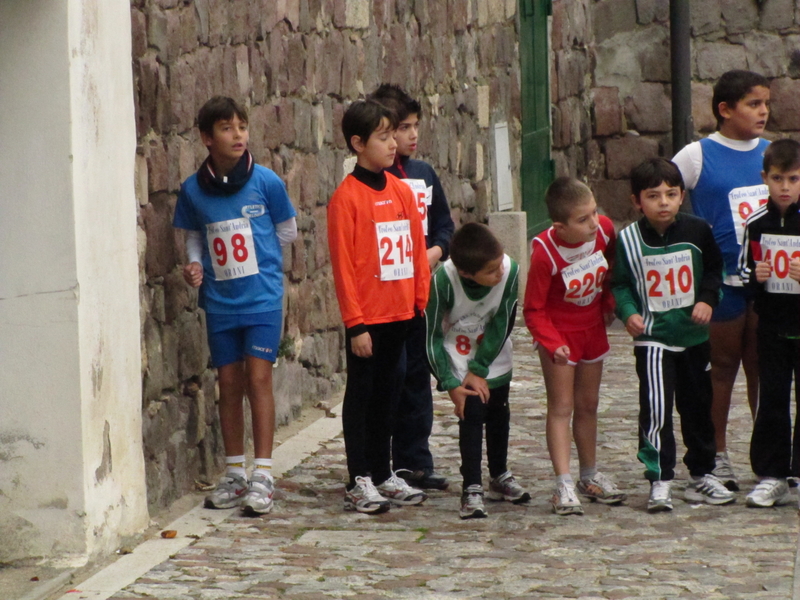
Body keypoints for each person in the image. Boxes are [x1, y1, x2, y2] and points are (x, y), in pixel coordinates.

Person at [173, 96, 298, 516]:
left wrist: (260, 264)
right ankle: (234, 472)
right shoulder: (192, 190)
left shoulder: (266, 182)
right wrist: (195, 263)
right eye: (226, 128)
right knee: (228, 383)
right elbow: (195, 233)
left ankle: (263, 471)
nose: (238, 134)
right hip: (221, 303)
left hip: (262, 299)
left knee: (258, 379)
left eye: (242, 126)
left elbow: (287, 231)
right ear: (208, 138)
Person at [612, 158, 735, 512]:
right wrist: (629, 312)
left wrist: (708, 301)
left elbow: (714, 270)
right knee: (657, 408)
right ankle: (660, 477)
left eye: (671, 194)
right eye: (653, 196)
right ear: (637, 201)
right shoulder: (629, 240)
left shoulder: (698, 231)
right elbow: (620, 284)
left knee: (698, 405)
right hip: (654, 339)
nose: (663, 202)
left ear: (682, 196)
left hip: (694, 336)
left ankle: (702, 473)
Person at [327, 99, 431, 514]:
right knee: (363, 398)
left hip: (402, 314)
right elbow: (344, 267)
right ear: (357, 143)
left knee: (390, 395)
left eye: (394, 136)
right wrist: (355, 324)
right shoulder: (346, 199)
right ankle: (359, 478)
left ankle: (385, 470)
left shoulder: (402, 191)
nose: (393, 144)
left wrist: (418, 300)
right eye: (383, 137)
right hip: (368, 320)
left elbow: (416, 251)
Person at [672, 70, 771, 491]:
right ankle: (716, 454)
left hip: (770, 283)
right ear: (725, 110)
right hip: (721, 283)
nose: (763, 111)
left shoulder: (773, 155)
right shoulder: (697, 155)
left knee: (763, 370)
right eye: (753, 104)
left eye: (766, 103)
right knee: (721, 369)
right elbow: (666, 198)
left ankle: (770, 456)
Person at [369, 83, 455, 491]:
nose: (411, 136)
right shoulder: (375, 180)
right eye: (402, 128)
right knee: (387, 377)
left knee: (418, 376)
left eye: (414, 126)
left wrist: (432, 254)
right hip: (385, 297)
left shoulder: (423, 174)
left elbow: (444, 226)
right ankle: (378, 462)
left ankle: (414, 460)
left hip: (421, 294)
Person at [523, 177, 626, 516]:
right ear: (560, 226)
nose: (593, 223)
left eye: (594, 213)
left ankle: (589, 474)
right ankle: (563, 482)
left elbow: (612, 263)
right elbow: (533, 309)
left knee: (589, 405)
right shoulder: (544, 254)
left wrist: (608, 299)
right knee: (561, 407)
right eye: (583, 219)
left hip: (592, 329)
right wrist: (552, 343)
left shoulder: (604, 231)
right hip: (560, 335)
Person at [426, 223, 530, 519]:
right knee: (472, 415)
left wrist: (480, 366)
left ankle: (499, 474)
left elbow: (503, 322)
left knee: (499, 411)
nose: (499, 274)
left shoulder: (509, 271)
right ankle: (471, 486)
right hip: (457, 356)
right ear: (466, 273)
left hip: (491, 353)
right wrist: (448, 381)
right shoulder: (443, 282)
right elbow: (431, 335)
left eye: (500, 266)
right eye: (491, 271)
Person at [738, 139, 800, 507]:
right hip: (773, 326)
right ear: (765, 178)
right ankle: (772, 473)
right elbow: (744, 270)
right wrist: (756, 276)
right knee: (772, 398)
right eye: (778, 178)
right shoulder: (756, 223)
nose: (785, 187)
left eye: (793, 178)